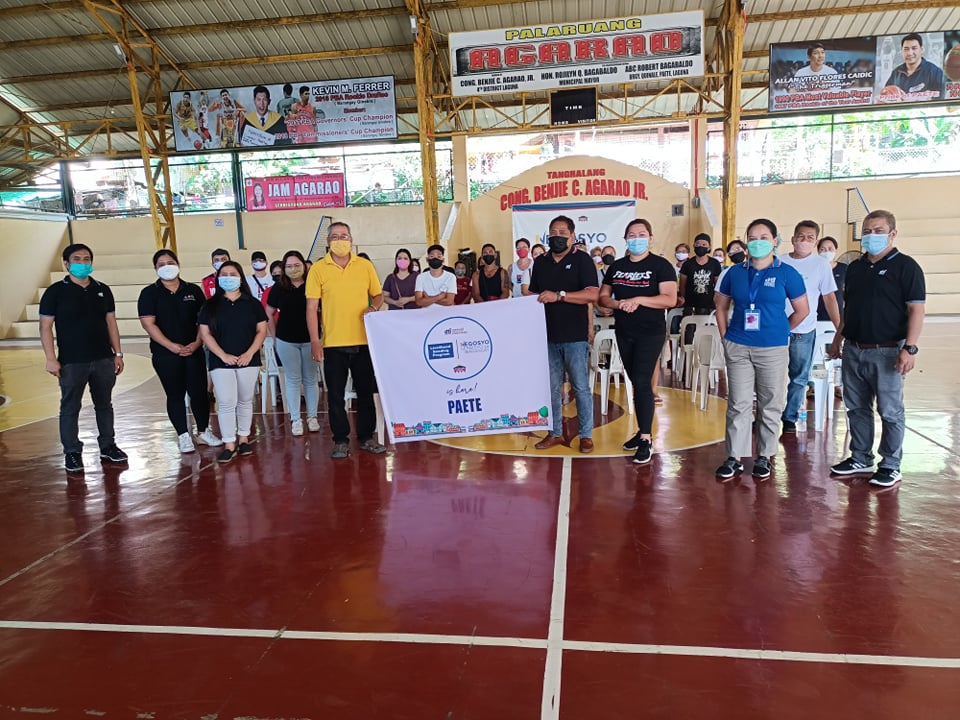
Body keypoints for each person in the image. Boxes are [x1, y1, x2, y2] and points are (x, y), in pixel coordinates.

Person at [828, 210, 925, 488]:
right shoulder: (856, 268)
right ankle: (860, 457)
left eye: (878, 230)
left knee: (890, 410)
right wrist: (838, 339)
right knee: (856, 407)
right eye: (867, 231)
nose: (871, 236)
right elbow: (848, 309)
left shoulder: (907, 267)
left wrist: (910, 348)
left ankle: (891, 464)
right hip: (854, 349)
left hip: (888, 351)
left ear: (892, 233)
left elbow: (916, 309)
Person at [713, 219, 809, 481]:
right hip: (739, 345)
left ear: (775, 241)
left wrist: (780, 331)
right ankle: (734, 457)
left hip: (772, 348)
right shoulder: (734, 273)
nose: (758, 243)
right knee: (739, 403)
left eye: (764, 237)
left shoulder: (787, 273)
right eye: (752, 238)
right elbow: (720, 306)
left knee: (770, 403)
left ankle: (764, 456)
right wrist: (725, 337)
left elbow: (803, 310)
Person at [39, 243, 128, 473]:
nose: (82, 262)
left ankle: (108, 445)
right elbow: (45, 327)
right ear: (67, 264)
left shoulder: (102, 289)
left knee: (104, 404)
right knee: (70, 407)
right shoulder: (55, 292)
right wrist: (51, 358)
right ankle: (72, 452)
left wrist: (117, 353)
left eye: (86, 258)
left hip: (103, 359)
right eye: (77, 259)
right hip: (71, 361)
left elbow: (111, 322)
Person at [598, 219, 677, 464]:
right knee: (635, 382)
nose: (636, 238)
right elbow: (603, 296)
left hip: (650, 332)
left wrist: (639, 299)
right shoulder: (617, 266)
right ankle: (642, 429)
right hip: (624, 330)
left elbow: (669, 299)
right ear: (625, 239)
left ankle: (645, 437)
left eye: (641, 234)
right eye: (631, 234)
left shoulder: (661, 265)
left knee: (643, 381)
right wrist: (617, 303)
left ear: (650, 238)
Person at [306, 222, 386, 459]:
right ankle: (340, 440)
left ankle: (366, 437)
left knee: (365, 393)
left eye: (344, 235)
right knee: (336, 396)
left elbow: (378, 294)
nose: (340, 239)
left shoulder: (364, 266)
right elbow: (312, 307)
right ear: (328, 241)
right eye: (334, 236)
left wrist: (373, 306)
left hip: (363, 341)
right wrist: (315, 340)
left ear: (351, 239)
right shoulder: (319, 269)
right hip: (333, 343)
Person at [138, 250, 222, 454]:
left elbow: (203, 321)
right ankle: (183, 435)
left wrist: (196, 343)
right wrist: (172, 346)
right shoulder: (149, 293)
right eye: (161, 263)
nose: (167, 266)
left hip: (194, 350)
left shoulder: (192, 290)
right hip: (165, 354)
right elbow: (149, 324)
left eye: (170, 262)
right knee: (175, 394)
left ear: (178, 264)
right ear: (155, 268)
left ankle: (202, 431)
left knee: (199, 393)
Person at [529, 215, 600, 453]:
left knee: (580, 386)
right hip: (546, 335)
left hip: (575, 336)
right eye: (553, 232)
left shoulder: (582, 260)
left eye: (562, 232)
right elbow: (534, 296)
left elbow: (592, 295)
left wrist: (560, 295)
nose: (557, 236)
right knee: (551, 387)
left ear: (572, 236)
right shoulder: (540, 262)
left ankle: (586, 435)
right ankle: (555, 433)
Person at [198, 261, 268, 463]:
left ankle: (244, 438)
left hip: (249, 359)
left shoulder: (252, 304)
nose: (229, 277)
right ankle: (229, 442)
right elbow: (205, 333)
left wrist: (249, 353)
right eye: (224, 274)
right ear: (219, 278)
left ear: (240, 277)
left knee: (245, 400)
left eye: (233, 273)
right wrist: (222, 355)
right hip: (221, 362)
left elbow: (261, 330)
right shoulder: (210, 305)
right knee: (227, 402)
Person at [780, 221, 841, 434]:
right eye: (800, 236)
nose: (804, 241)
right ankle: (767, 415)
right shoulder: (779, 262)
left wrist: (839, 328)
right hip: (777, 329)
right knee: (771, 375)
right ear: (793, 238)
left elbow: (829, 298)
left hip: (803, 330)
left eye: (809, 237)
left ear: (815, 241)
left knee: (799, 376)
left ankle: (789, 417)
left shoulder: (820, 265)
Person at [266, 251, 319, 436]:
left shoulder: (313, 284)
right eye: (289, 266)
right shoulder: (279, 287)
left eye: (297, 265)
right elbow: (269, 313)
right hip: (286, 340)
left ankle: (312, 417)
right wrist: (274, 337)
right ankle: (296, 419)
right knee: (293, 379)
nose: (293, 269)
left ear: (304, 265)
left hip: (310, 339)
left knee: (311, 379)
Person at [882, 33, 944, 102]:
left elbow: (941, 98)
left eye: (914, 48)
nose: (910, 53)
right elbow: (885, 96)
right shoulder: (896, 73)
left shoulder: (934, 71)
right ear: (901, 51)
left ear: (922, 49)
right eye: (906, 49)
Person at [678, 233, 722, 316]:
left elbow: (717, 285)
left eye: (704, 244)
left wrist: (717, 301)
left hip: (709, 305)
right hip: (690, 305)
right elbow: (682, 285)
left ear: (709, 247)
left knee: (707, 328)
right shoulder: (687, 264)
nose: (700, 246)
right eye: (698, 244)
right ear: (694, 245)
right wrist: (683, 299)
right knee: (689, 327)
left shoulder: (714, 263)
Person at [817, 236, 847, 322]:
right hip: (817, 315)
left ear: (836, 250)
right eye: (823, 249)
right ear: (818, 251)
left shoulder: (844, 268)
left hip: (838, 315)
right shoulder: (814, 269)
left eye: (830, 249)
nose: (827, 252)